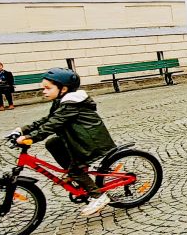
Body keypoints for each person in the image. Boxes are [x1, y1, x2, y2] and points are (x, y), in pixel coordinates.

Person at [15, 68, 116, 217]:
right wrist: (22, 130)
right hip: (77, 138)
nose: (44, 91)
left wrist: (31, 137)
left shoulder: (71, 104)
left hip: (89, 142)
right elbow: (47, 119)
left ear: (63, 89)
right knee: (52, 143)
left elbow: (52, 124)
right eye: (43, 88)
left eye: (48, 88)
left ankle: (98, 196)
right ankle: (75, 172)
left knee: (75, 170)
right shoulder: (61, 102)